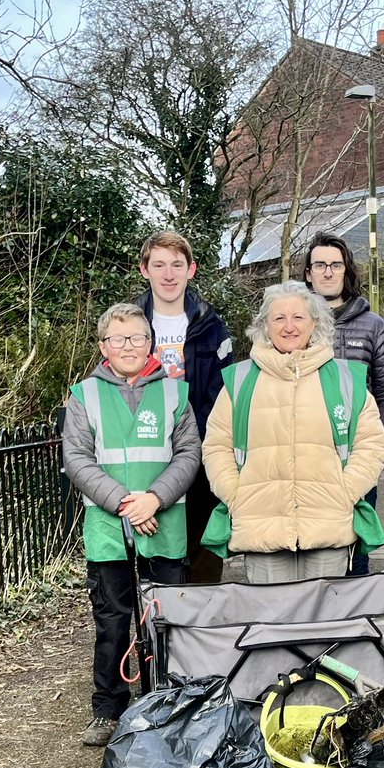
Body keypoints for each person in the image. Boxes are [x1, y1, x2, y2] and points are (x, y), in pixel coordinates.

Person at [62, 303, 200, 747]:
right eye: (118, 339)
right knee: (112, 622)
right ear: (103, 346)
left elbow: (189, 454)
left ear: (150, 343)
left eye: (137, 337)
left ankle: (169, 704)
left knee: (169, 622)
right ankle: (108, 710)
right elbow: (76, 459)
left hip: (165, 525)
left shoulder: (175, 393)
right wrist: (126, 503)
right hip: (109, 530)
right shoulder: (84, 395)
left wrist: (155, 499)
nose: (128, 346)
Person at [202, 281, 384, 583]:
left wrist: (345, 493)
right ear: (265, 325)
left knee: (325, 611)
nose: (289, 327)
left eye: (298, 317)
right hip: (262, 530)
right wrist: (236, 496)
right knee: (271, 613)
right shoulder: (240, 381)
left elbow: (372, 445)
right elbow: (216, 446)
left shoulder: (345, 378)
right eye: (279, 318)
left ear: (315, 323)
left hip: (328, 527)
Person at [302, 232, 384, 576]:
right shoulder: (291, 322)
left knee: (355, 556)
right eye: (320, 265)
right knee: (306, 554)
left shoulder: (373, 326)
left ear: (346, 270)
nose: (328, 272)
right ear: (308, 273)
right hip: (306, 461)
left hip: (357, 461)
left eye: (336, 265)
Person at [134, 231, 234, 585]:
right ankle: (158, 618)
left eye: (177, 265)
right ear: (145, 269)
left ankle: (203, 619)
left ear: (191, 270)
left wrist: (198, 447)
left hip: (201, 460)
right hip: (147, 460)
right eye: (159, 265)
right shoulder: (129, 325)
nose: (169, 275)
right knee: (155, 563)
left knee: (202, 560)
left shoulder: (211, 327)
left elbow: (223, 396)